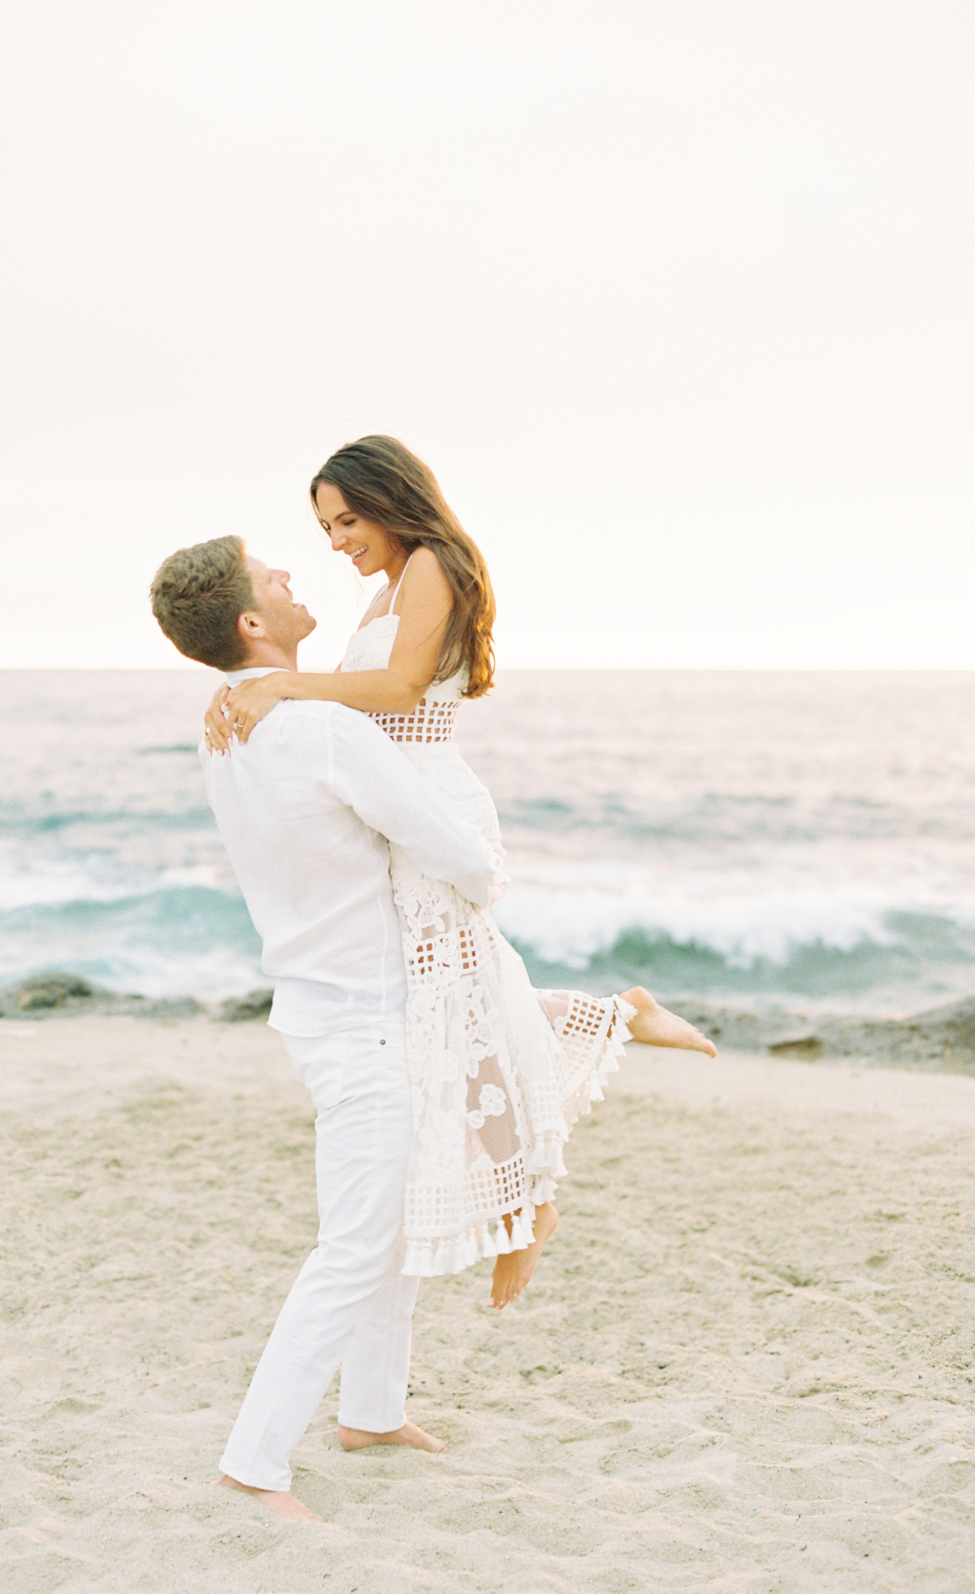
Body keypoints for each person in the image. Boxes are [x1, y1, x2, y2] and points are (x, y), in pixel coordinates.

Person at [205, 436, 716, 1312]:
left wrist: (285, 690)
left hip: (429, 806)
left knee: (458, 1008)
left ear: (390, 499)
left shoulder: (434, 564)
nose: (336, 542)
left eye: (347, 520)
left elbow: (400, 692)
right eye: (326, 528)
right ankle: (617, 1018)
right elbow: (361, 700)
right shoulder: (387, 587)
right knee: (455, 1006)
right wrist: (259, 687)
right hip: (397, 808)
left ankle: (534, 1202)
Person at [149, 535, 511, 1521]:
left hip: (317, 1003)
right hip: (364, 1017)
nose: (293, 577)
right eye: (272, 579)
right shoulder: (322, 731)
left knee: (384, 1221)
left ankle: (372, 1411)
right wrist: (483, 872)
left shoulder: (225, 725)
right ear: (252, 625)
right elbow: (461, 855)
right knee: (356, 1242)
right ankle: (253, 1464)